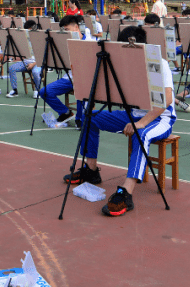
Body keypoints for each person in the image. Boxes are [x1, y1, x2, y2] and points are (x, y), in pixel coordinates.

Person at [64, 25, 177, 217]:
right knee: (90, 119)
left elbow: (166, 100)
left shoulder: (160, 63)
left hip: (160, 117)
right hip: (133, 114)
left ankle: (127, 191)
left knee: (140, 134)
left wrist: (141, 123)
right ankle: (91, 170)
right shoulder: (124, 65)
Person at [40, 15, 92, 127]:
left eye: (67, 29)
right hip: (69, 77)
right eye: (64, 30)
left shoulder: (89, 42)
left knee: (81, 91)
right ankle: (65, 113)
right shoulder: (65, 42)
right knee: (44, 91)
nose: (65, 32)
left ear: (76, 27)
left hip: (84, 80)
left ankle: (81, 118)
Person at [6, 20, 42, 98]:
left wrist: (33, 64)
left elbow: (43, 57)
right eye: (26, 30)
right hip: (25, 62)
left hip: (37, 63)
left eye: (28, 30)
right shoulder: (25, 40)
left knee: (35, 72)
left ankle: (37, 90)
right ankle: (15, 90)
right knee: (11, 68)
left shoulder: (40, 39)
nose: (27, 32)